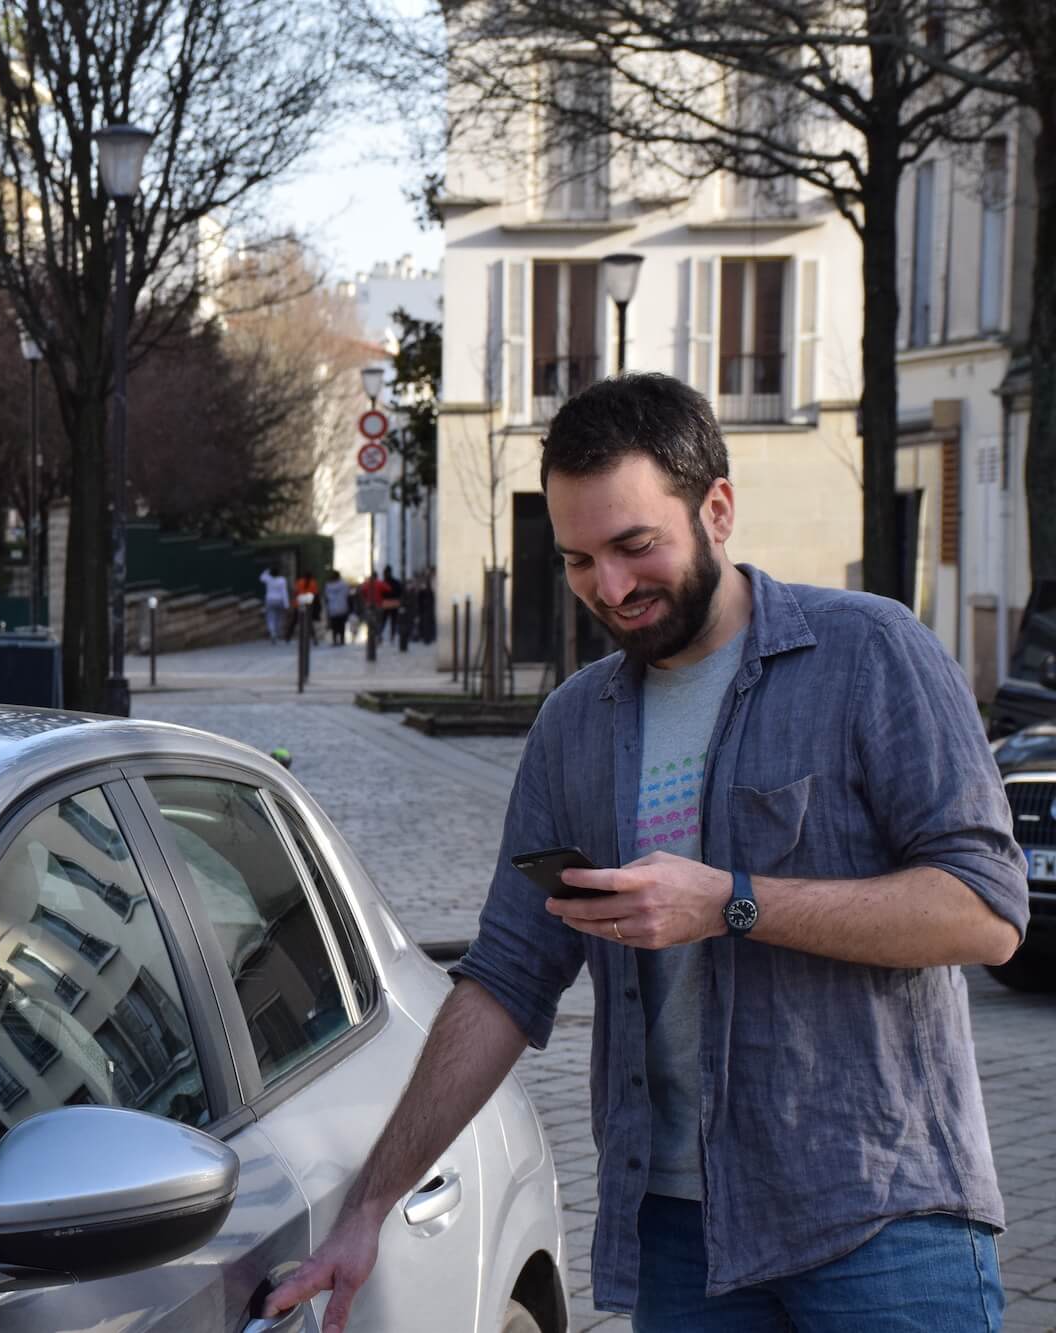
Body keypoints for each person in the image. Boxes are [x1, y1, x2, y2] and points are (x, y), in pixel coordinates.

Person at [265, 374, 1026, 1333]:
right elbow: (504, 980)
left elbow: (986, 912)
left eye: (635, 546)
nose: (612, 588)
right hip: (679, 1235)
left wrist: (730, 902)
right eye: (579, 560)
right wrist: (369, 1207)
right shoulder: (573, 727)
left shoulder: (870, 653)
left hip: (880, 1212)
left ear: (718, 509)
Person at [259, 564, 290, 644]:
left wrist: (267, 570)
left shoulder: (268, 579)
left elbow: (261, 577)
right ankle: (278, 632)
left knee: (271, 617)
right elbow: (284, 592)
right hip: (280, 600)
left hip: (270, 600)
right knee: (279, 617)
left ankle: (273, 633)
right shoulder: (282, 580)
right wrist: (286, 604)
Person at [290, 571, 321, 644]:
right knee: (309, 622)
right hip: (308, 605)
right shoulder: (313, 583)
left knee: (294, 621)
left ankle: (288, 637)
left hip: (299, 604)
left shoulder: (300, 582)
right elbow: (316, 594)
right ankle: (314, 639)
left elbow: (295, 592)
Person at [324, 571, 352, 645]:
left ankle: (335, 640)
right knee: (342, 625)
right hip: (342, 607)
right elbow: (348, 596)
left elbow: (326, 598)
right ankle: (342, 639)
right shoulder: (344, 584)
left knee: (334, 626)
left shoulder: (328, 585)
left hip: (332, 608)